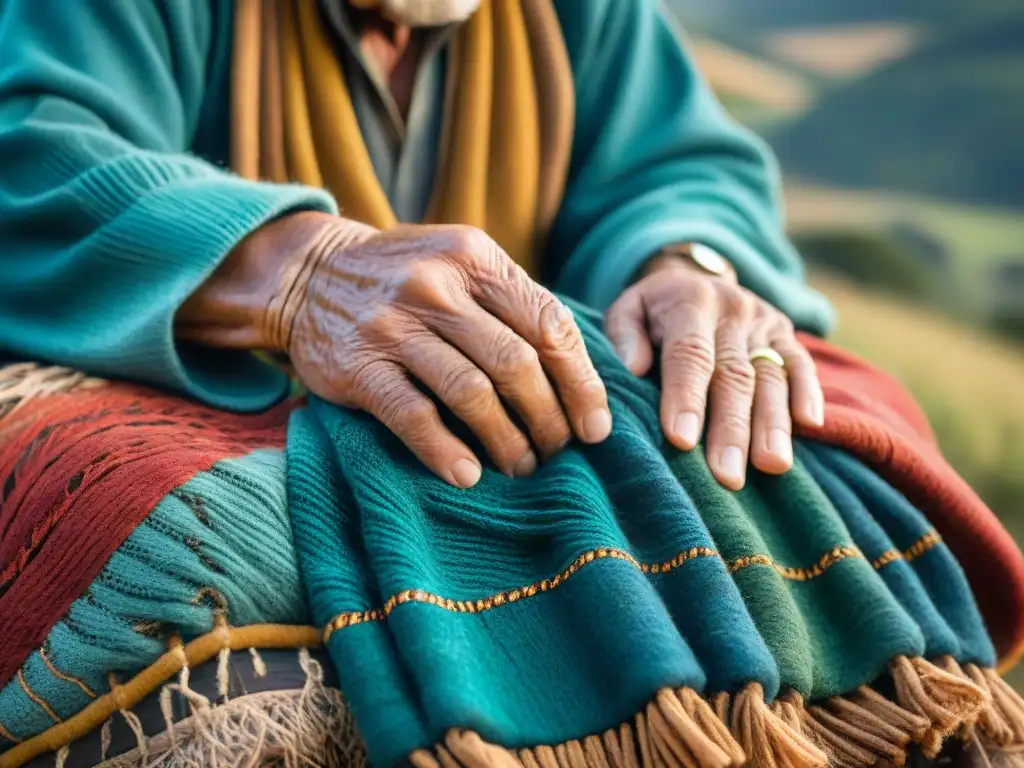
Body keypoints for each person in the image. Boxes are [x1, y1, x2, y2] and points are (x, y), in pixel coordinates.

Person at [0, 0, 833, 493]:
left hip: (507, 461)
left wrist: (688, 262)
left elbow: (680, 164)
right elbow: (33, 150)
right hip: (230, 437)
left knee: (835, 429)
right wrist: (293, 274)